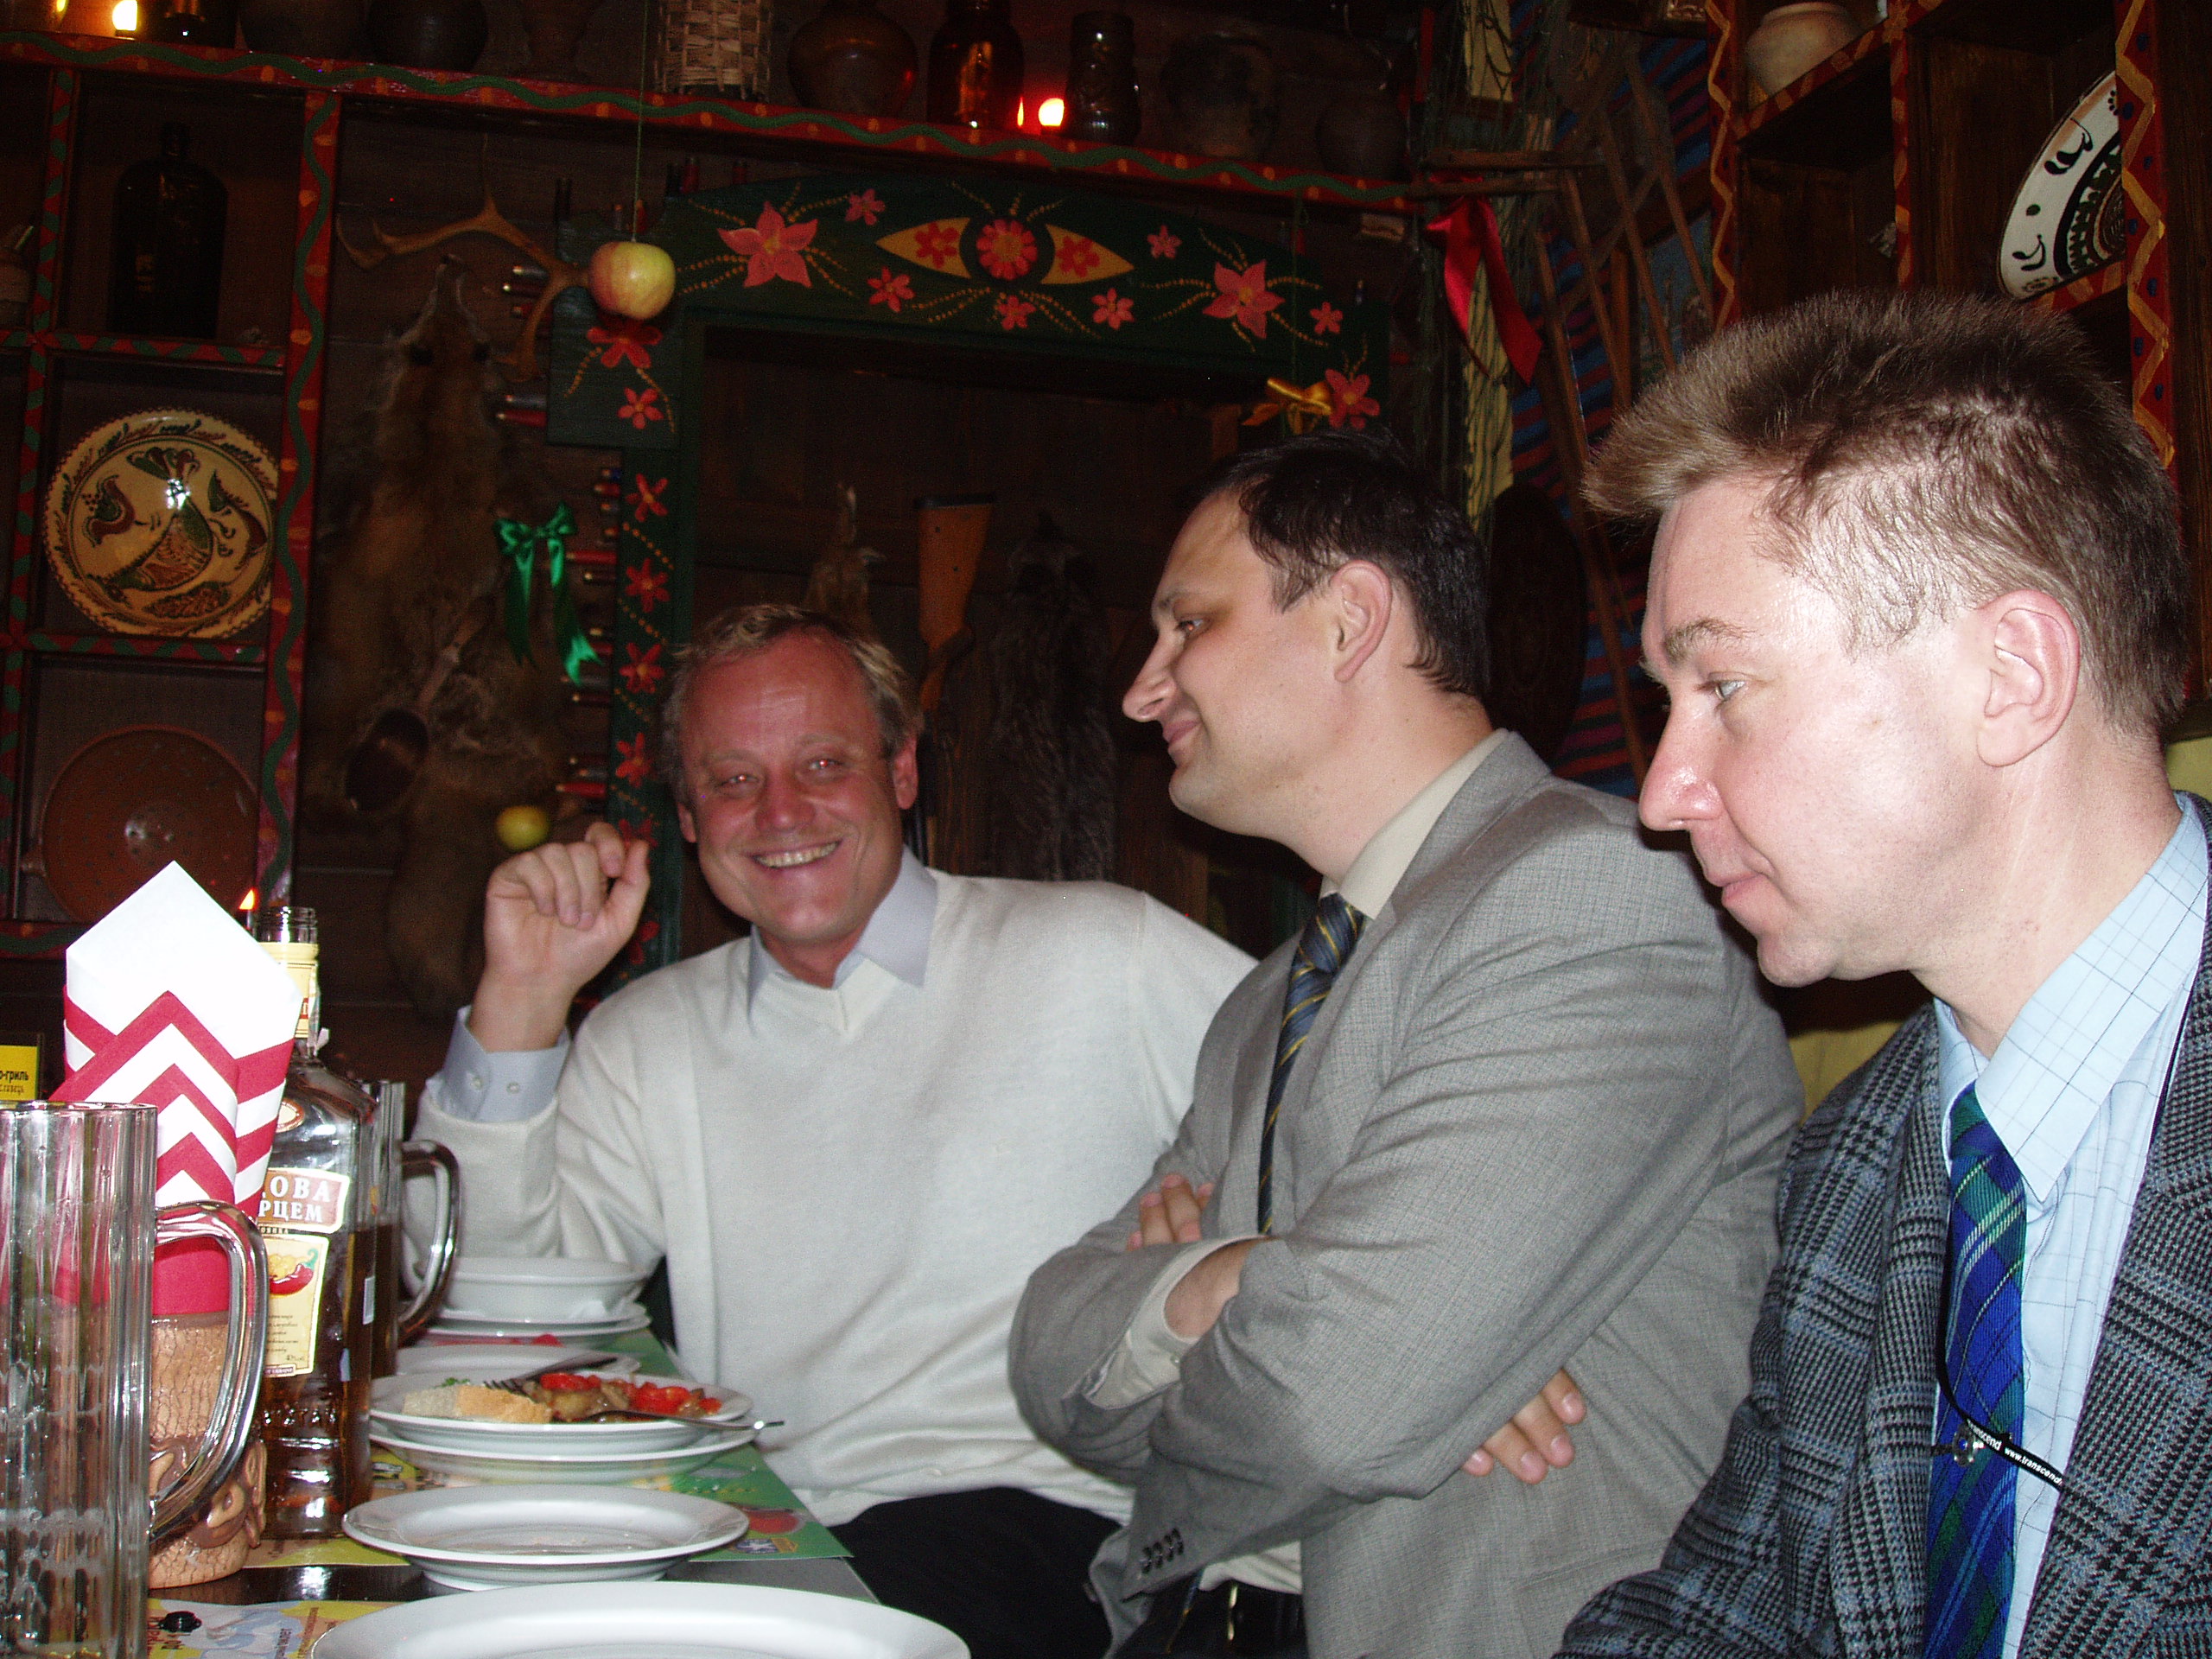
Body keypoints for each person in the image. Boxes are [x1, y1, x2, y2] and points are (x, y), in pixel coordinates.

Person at [1007, 431, 1803, 1659]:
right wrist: (1232, 1281)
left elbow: (1334, 1401)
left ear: (1348, 622)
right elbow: (1050, 1351)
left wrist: (1214, 1343)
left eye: (1189, 625)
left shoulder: (1595, 900)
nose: (1142, 690)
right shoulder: (1266, 999)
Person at [413, 603, 1258, 1659]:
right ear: (688, 816)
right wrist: (523, 1001)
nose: (780, 812)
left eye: (822, 763)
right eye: (732, 779)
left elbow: (1340, 1090)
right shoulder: (648, 1036)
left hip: (1058, 1533)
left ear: (901, 772)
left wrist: (1251, 1248)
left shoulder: (1101, 953)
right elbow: (496, 1318)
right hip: (752, 1534)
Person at [1557, 289, 2209, 1657]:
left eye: (1723, 687)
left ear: (2011, 675)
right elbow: (1725, 1614)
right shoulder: (1858, 1158)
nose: (1663, 793)